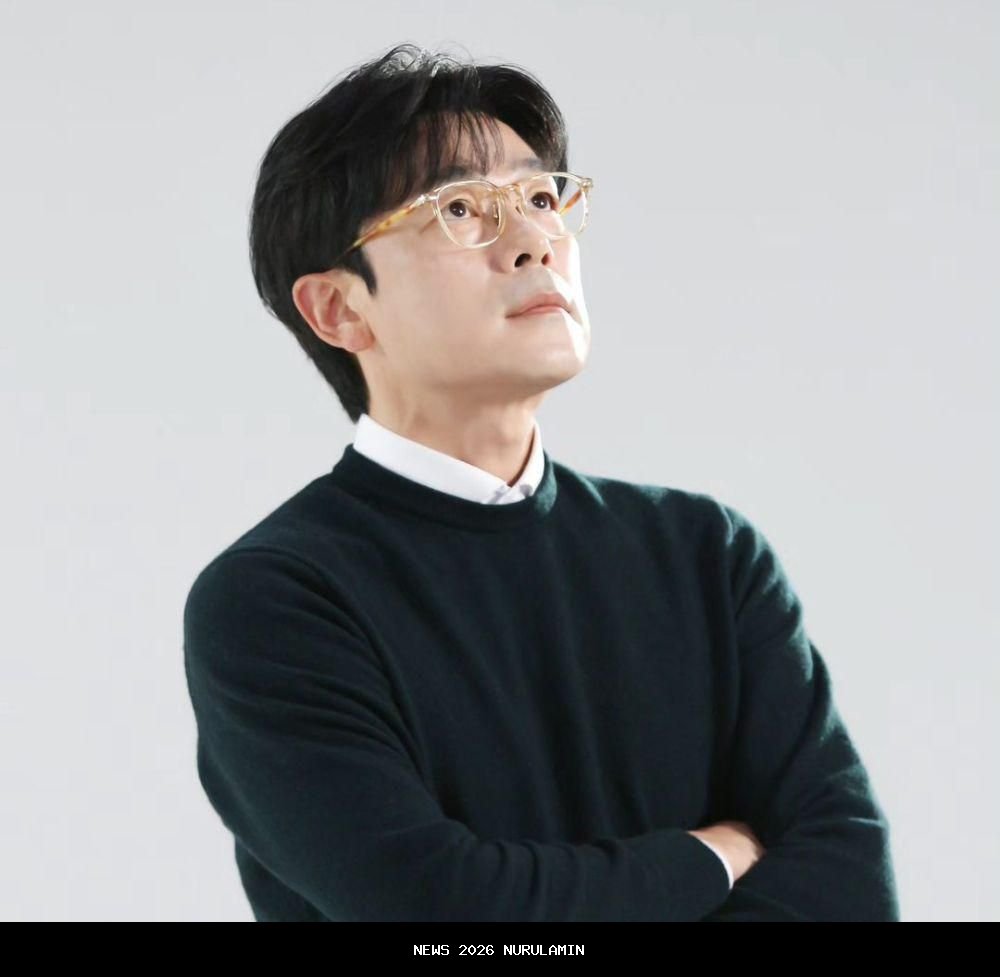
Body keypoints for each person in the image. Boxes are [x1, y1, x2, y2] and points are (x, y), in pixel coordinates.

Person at [182, 42, 900, 922]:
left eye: (539, 198)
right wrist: (709, 855)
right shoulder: (277, 600)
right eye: (459, 209)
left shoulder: (707, 556)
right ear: (339, 308)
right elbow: (443, 914)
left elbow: (850, 888)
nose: (533, 240)